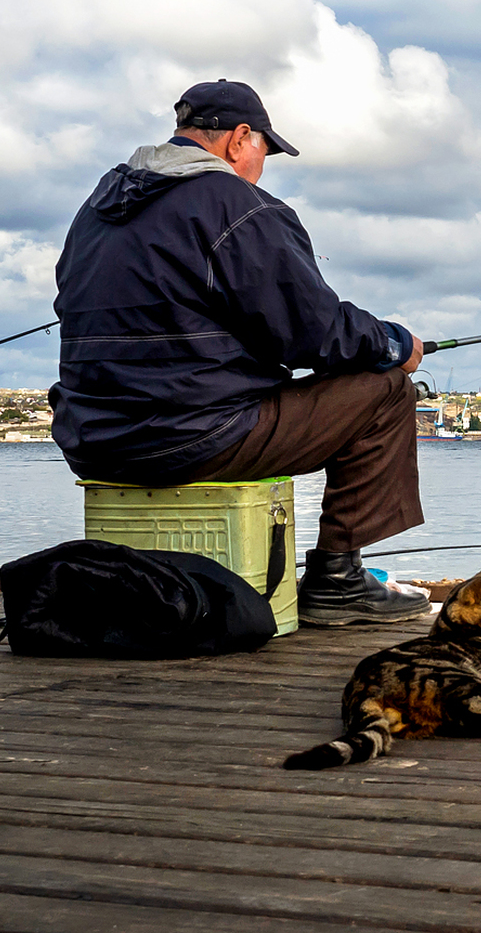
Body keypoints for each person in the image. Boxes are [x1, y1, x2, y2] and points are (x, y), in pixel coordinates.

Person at [50, 80, 432, 626]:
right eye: (264, 151)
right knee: (386, 389)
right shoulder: (234, 205)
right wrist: (393, 342)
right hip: (190, 436)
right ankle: (338, 580)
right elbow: (314, 333)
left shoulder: (96, 210)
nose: (261, 165)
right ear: (239, 139)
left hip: (94, 440)